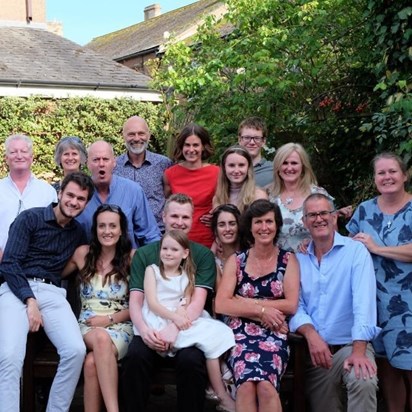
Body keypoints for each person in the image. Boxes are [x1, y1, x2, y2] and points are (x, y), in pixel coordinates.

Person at [0, 172, 94, 412]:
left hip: (52, 293)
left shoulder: (78, 232)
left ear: (86, 203)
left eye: (81, 199)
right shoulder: (29, 219)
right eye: (70, 195)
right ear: (60, 194)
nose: (74, 202)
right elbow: (9, 263)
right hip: (16, 288)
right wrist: (29, 299)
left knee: (75, 351)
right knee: (10, 357)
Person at [121, 193, 217, 412]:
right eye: (174, 216)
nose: (179, 222)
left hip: (186, 326)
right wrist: (145, 331)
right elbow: (136, 300)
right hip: (150, 325)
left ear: (192, 220)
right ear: (163, 217)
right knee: (134, 357)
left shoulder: (202, 255)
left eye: (185, 217)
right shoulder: (145, 254)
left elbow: (198, 301)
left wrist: (174, 328)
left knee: (191, 362)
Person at [289, 193, 381, 412]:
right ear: (304, 222)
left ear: (334, 217)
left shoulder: (355, 251)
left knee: (363, 377)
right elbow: (296, 304)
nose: (319, 219)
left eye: (324, 213)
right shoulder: (298, 258)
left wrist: (359, 351)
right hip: (317, 354)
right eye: (312, 215)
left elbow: (364, 303)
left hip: (351, 345)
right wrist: (311, 334)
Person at [215, 199, 300, 412]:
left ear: (277, 225)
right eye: (258, 222)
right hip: (239, 334)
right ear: (250, 227)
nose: (264, 227)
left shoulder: (288, 260)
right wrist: (263, 310)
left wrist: (242, 300)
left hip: (275, 331)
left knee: (265, 386)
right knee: (245, 387)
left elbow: (290, 304)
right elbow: (222, 304)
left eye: (269, 222)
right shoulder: (237, 260)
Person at [346, 152, 412, 411]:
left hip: (407, 303)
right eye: (381, 173)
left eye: (392, 171)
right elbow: (349, 246)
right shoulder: (365, 209)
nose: (387, 177)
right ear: (374, 179)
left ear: (404, 175)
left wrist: (378, 248)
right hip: (374, 303)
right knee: (386, 367)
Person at [142, 230, 236, 412]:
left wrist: (181, 311)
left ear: (185, 253)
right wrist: (175, 318)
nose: (168, 253)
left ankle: (217, 385)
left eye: (174, 250)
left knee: (218, 332)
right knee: (206, 341)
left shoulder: (187, 274)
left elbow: (186, 300)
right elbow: (152, 303)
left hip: (179, 319)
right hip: (160, 319)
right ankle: (220, 389)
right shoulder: (152, 271)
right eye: (165, 248)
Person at [63, 204, 134, 412]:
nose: (107, 231)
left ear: (121, 230)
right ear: (95, 229)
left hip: (121, 325)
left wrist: (109, 320)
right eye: (101, 226)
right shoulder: (82, 254)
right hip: (88, 325)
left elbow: (141, 305)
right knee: (101, 339)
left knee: (92, 362)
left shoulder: (132, 258)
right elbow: (54, 272)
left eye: (113, 226)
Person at [76, 140, 161, 249]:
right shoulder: (78, 195)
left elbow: (150, 235)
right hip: (89, 262)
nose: (101, 164)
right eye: (96, 160)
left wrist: (152, 262)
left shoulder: (133, 191)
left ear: (114, 162)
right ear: (87, 163)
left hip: (127, 262)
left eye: (106, 159)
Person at [268, 142, 351, 252]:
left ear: (303, 166)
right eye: (284, 163)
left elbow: (333, 237)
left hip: (312, 261)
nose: (289, 167)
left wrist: (314, 244)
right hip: (279, 265)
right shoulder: (269, 196)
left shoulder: (318, 194)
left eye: (294, 163)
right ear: (278, 167)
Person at [0, 134, 57, 260]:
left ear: (31, 157)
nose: (19, 156)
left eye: (24, 151)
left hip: (35, 266)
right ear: (6, 158)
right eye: (13, 152)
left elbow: (53, 232)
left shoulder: (47, 192)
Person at [163, 123, 219, 248]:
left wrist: (216, 217)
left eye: (196, 145)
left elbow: (222, 203)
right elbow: (167, 204)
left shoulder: (217, 173)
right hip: (177, 240)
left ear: (203, 147)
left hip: (207, 239)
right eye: (187, 145)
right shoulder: (170, 174)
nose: (191, 149)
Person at [114, 116, 173, 232]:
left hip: (157, 233)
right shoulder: (114, 166)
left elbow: (171, 197)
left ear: (149, 135)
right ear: (123, 136)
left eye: (141, 133)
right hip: (124, 234)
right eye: (131, 134)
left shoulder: (164, 164)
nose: (136, 138)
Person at [213, 145, 268, 213]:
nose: (236, 171)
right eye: (231, 165)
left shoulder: (258, 196)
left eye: (241, 165)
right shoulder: (218, 199)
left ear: (248, 168)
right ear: (224, 168)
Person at [237, 116, 273, 188]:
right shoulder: (229, 170)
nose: (252, 142)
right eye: (247, 137)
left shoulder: (274, 171)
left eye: (257, 138)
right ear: (239, 140)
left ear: (263, 141)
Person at [211, 204, 241, 288]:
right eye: (221, 225)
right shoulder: (213, 261)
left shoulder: (249, 254)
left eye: (232, 224)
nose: (227, 229)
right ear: (215, 230)